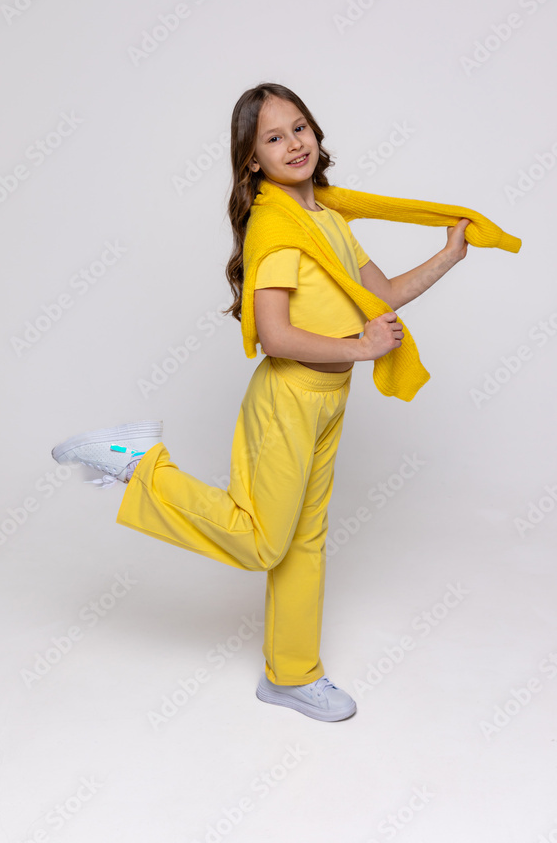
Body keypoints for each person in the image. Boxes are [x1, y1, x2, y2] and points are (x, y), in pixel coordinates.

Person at [51, 81, 470, 722]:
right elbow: (273, 335)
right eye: (273, 138)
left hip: (329, 396)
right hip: (287, 399)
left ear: (316, 131)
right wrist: (361, 347)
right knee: (261, 541)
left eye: (299, 127)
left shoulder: (327, 220)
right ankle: (138, 463)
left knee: (304, 541)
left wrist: (448, 255)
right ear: (252, 160)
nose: (293, 144)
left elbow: (381, 294)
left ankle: (292, 676)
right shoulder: (276, 230)